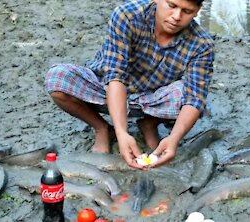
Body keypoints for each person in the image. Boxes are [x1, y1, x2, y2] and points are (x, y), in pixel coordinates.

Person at [44, 0, 214, 170]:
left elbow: (194, 98)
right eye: (171, 5)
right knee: (58, 78)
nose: (176, 17)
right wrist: (121, 132)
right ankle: (102, 128)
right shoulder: (127, 16)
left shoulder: (202, 44)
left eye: (186, 11)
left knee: (193, 101)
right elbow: (115, 77)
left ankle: (149, 123)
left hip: (151, 99)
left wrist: (174, 139)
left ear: (197, 10)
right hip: (106, 90)